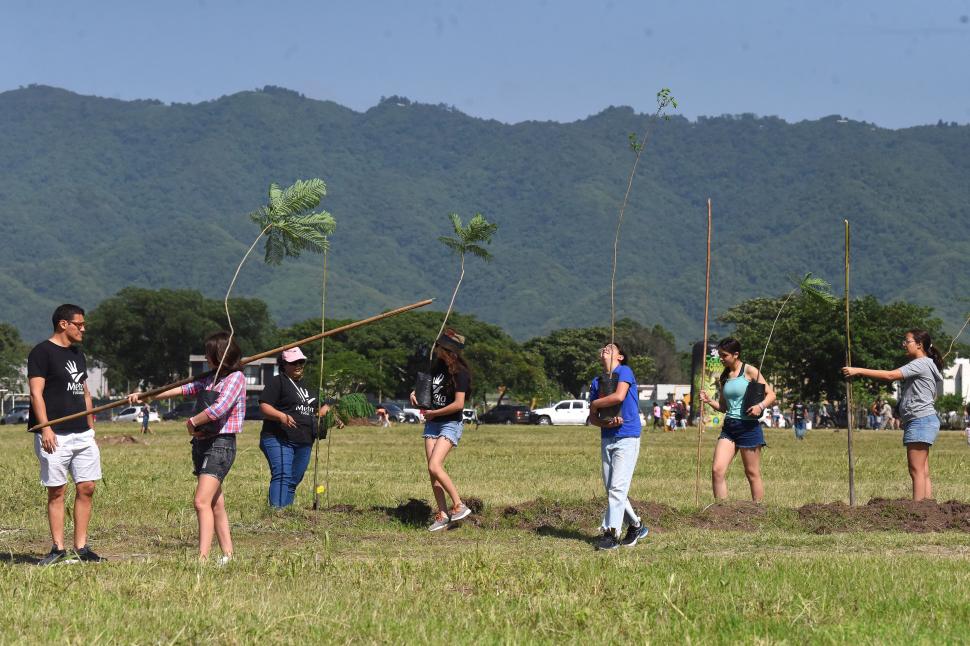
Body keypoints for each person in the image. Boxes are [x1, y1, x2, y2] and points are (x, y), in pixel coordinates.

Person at [129, 331, 245, 562]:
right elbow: (185, 388)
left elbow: (219, 409)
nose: (205, 356)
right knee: (214, 503)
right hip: (202, 443)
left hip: (221, 444)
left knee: (200, 501)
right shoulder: (211, 378)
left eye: (208, 353)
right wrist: (149, 397)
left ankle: (202, 559)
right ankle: (228, 556)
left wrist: (192, 422)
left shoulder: (236, 378)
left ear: (218, 355)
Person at [28, 304, 104, 565]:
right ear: (64, 324)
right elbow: (36, 393)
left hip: (82, 433)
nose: (83, 329)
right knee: (57, 491)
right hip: (55, 435)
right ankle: (58, 549)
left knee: (87, 487)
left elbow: (84, 392)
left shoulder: (77, 354)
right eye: (79, 324)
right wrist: (45, 428)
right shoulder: (41, 353)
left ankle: (81, 548)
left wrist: (91, 425)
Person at [843, 329, 945, 501]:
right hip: (924, 420)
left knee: (916, 470)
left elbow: (890, 375)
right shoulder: (927, 363)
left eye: (907, 341)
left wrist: (857, 370)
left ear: (919, 345)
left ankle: (918, 511)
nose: (904, 345)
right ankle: (927, 509)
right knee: (922, 470)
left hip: (920, 420)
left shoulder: (920, 363)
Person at [698, 337, 776, 502]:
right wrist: (708, 400)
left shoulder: (750, 371)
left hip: (748, 427)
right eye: (720, 355)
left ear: (736, 354)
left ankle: (759, 511)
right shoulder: (724, 377)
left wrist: (759, 407)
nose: (721, 358)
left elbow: (771, 395)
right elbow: (724, 407)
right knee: (717, 470)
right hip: (729, 428)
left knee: (752, 473)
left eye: (724, 355)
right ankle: (721, 510)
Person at [410, 329, 473, 532]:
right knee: (432, 471)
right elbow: (426, 390)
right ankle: (443, 514)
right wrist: (415, 394)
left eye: (440, 347)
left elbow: (458, 405)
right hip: (432, 423)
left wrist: (435, 414)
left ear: (449, 351)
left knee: (435, 465)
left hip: (449, 423)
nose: (436, 349)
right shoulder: (436, 369)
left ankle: (459, 505)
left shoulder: (460, 373)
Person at [588, 343, 649, 550]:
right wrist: (605, 422)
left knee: (617, 489)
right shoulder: (597, 382)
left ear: (620, 356)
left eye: (611, 347)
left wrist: (596, 404)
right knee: (612, 489)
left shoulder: (625, 371)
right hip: (607, 437)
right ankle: (636, 525)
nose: (605, 349)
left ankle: (611, 534)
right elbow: (593, 419)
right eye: (603, 348)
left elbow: (619, 396)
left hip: (627, 437)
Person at [258, 347, 329, 508]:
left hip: (304, 440)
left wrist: (330, 415)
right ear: (284, 364)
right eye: (293, 362)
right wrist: (281, 416)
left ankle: (286, 512)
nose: (298, 365)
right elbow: (264, 406)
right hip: (278, 437)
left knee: (294, 479)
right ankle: (276, 513)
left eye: (301, 362)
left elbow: (323, 407)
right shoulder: (278, 382)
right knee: (282, 474)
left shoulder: (310, 384)